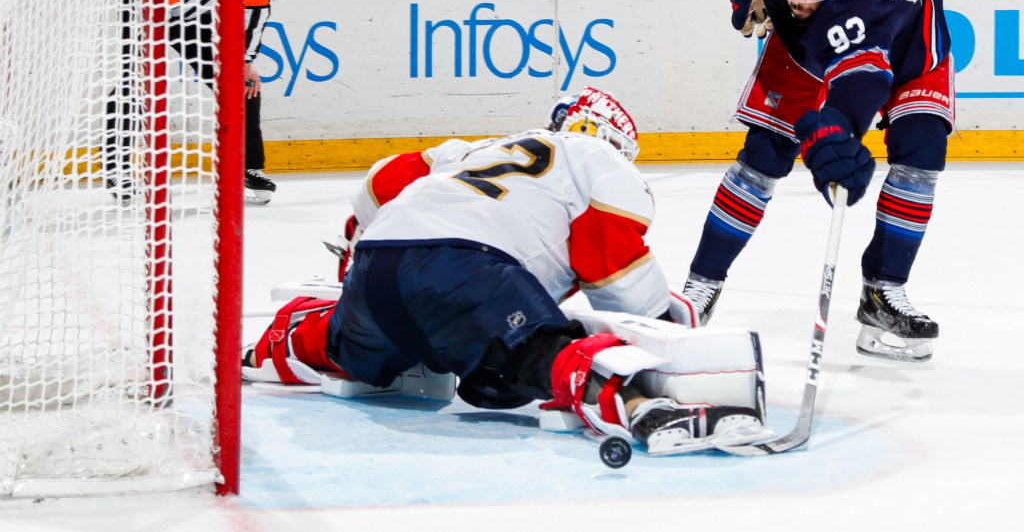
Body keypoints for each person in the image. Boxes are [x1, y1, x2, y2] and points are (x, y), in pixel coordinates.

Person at [243, 87, 768, 453]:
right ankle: (632, 402)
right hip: (468, 269)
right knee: (541, 349)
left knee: (352, 347)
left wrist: (357, 259)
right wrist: (670, 337)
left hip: (378, 264)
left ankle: (287, 341)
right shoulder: (595, 158)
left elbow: (380, 184)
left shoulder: (475, 150)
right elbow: (614, 273)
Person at [681, 0, 953, 363]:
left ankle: (882, 293)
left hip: (914, 46)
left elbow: (862, 87)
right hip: (812, 45)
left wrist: (837, 132)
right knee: (764, 155)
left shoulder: (861, 9)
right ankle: (699, 288)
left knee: (922, 151)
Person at [171, 0, 275, 204]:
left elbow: (256, 10)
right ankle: (118, 167)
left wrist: (245, 59)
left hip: (201, 25)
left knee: (246, 86)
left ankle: (249, 168)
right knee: (133, 87)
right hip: (153, 16)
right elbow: (161, 3)